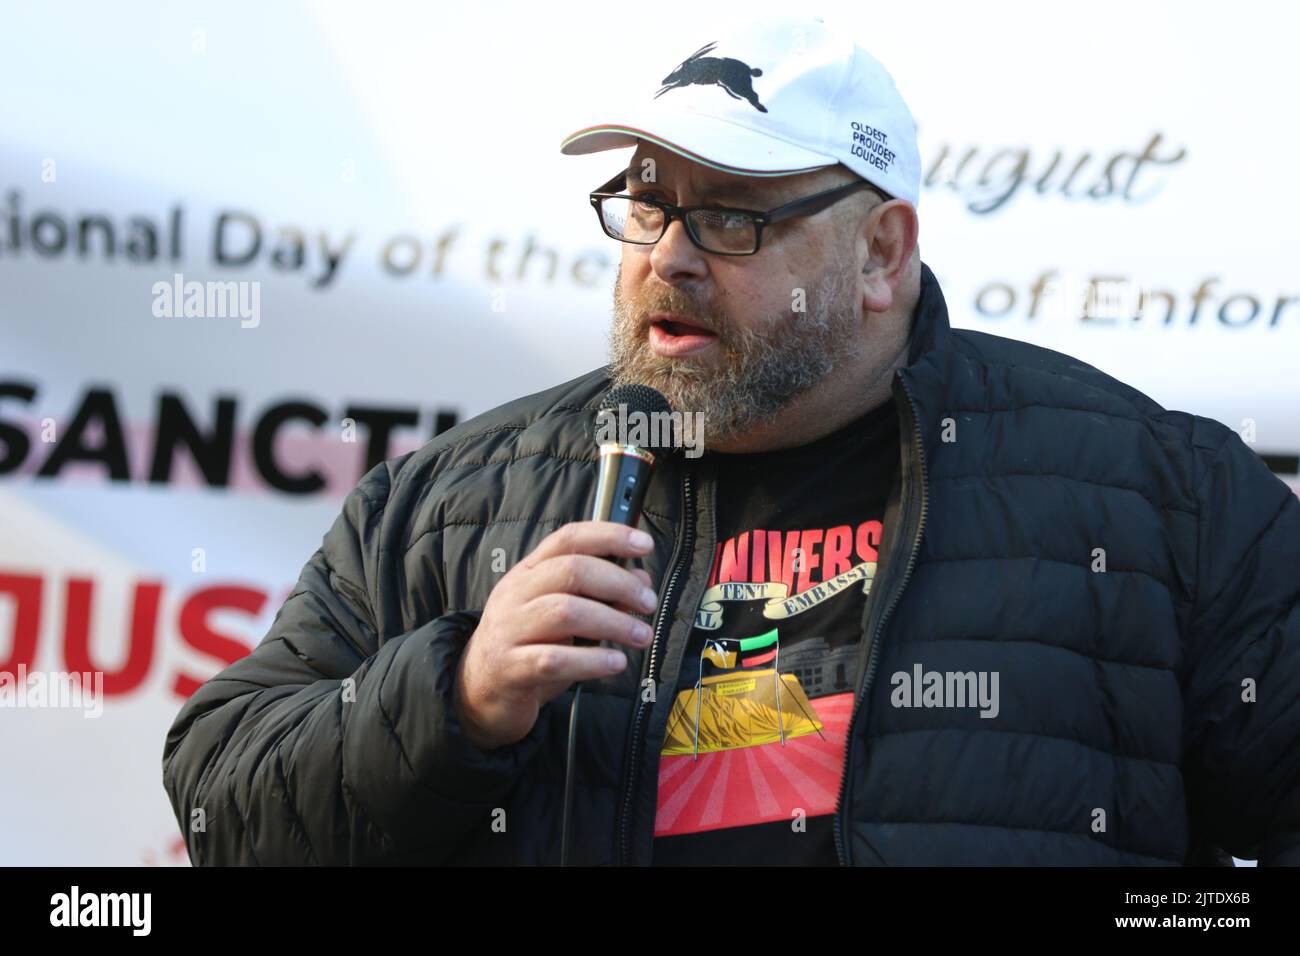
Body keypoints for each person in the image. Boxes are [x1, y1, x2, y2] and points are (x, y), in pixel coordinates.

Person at [161, 15, 1300, 866]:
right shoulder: (458, 502)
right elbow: (218, 795)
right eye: (647, 206)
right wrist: (458, 694)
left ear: (880, 255)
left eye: (731, 216)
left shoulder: (1154, 497)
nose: (669, 255)